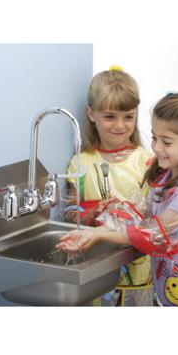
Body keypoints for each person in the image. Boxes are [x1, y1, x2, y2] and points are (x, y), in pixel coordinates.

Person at [58, 91, 178, 306]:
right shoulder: (166, 175)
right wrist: (109, 216)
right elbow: (141, 211)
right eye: (154, 138)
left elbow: (151, 233)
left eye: (166, 142)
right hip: (167, 280)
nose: (156, 148)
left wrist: (99, 234)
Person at [63, 66, 154, 301]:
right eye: (110, 116)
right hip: (96, 266)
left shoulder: (147, 162)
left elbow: (155, 216)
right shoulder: (80, 163)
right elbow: (70, 211)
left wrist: (127, 214)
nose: (120, 125)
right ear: (91, 114)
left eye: (128, 117)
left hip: (137, 266)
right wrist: (92, 213)